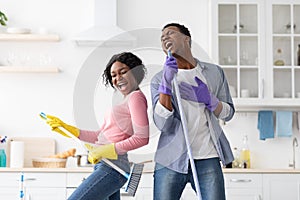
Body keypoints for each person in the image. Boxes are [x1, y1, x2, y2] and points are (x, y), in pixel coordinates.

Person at [44, 52, 149, 200]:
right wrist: (70, 129)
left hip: (113, 168)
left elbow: (142, 138)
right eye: (113, 75)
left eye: (123, 72)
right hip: (105, 166)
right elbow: (100, 136)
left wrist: (107, 149)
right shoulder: (125, 100)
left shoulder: (136, 98)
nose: (117, 78)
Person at [150, 23, 235, 200]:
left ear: (186, 39)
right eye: (162, 36)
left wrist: (210, 100)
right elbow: (162, 124)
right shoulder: (159, 79)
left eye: (170, 33)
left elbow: (228, 113)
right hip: (170, 160)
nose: (165, 37)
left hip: (207, 158)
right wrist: (166, 85)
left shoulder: (214, 72)